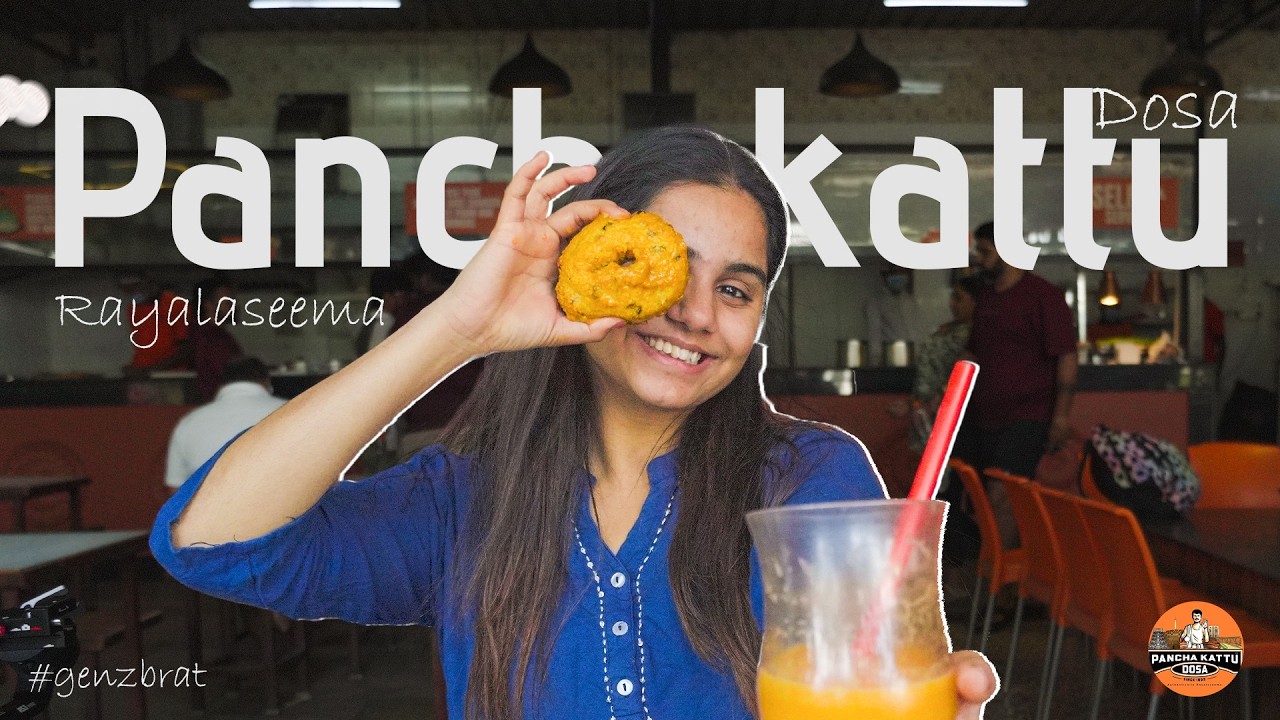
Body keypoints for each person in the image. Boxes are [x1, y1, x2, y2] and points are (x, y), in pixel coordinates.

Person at [151, 128, 997, 720]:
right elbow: (211, 541)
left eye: (736, 289)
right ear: (586, 268)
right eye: (668, 271)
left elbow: (875, 685)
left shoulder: (811, 479)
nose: (698, 315)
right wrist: (458, 329)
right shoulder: (466, 500)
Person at [958, 221, 1077, 548]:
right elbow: (974, 351)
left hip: (1027, 415)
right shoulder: (987, 298)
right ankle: (999, 568)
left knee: (1003, 492)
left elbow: (1066, 357)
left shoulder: (1043, 296)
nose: (979, 259)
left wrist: (1061, 417)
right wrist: (948, 396)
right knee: (978, 494)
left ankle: (998, 574)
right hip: (983, 415)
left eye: (985, 252)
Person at [164, 357, 286, 493]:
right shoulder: (290, 411)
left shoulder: (189, 422)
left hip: (211, 505)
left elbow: (175, 488)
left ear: (221, 385)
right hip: (280, 503)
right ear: (266, 382)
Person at [911, 273, 985, 452]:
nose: (952, 303)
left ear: (975, 301)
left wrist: (938, 399)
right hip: (928, 411)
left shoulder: (977, 334)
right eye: (952, 297)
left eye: (958, 298)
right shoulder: (948, 329)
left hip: (953, 412)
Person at [119, 273, 190, 376]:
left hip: (170, 375)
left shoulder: (176, 304)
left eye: (135, 287)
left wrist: (151, 370)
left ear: (148, 282)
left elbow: (186, 350)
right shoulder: (132, 308)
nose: (132, 292)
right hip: (141, 373)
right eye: (127, 290)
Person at [190, 275, 244, 401]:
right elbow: (228, 372)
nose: (234, 306)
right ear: (208, 305)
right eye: (228, 302)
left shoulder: (220, 336)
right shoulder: (209, 338)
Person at [864, 266, 923, 366]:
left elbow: (917, 331)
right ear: (885, 276)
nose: (898, 276)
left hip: (913, 359)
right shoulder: (876, 302)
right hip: (889, 360)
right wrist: (876, 362)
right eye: (895, 272)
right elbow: (874, 334)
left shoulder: (910, 301)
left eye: (901, 272)